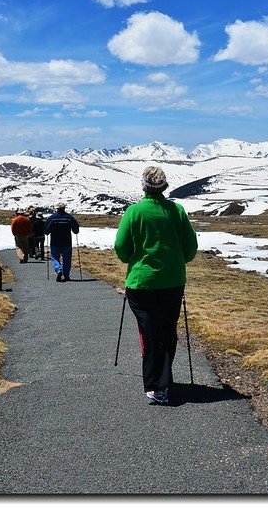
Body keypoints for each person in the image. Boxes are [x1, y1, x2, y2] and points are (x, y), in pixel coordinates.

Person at [114, 166, 198, 405]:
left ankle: (156, 385)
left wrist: (135, 258)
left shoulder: (134, 212)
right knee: (167, 330)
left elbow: (121, 249)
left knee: (150, 332)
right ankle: (162, 378)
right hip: (173, 281)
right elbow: (190, 249)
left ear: (144, 186)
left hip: (142, 282)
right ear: (165, 186)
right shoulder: (177, 211)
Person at [44, 202, 80, 282]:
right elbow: (76, 230)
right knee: (67, 259)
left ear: (57, 208)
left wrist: (47, 232)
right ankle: (66, 275)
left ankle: (58, 270)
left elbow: (46, 230)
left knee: (55, 258)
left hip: (55, 242)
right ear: (64, 208)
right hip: (67, 242)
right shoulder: (69, 218)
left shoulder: (52, 218)